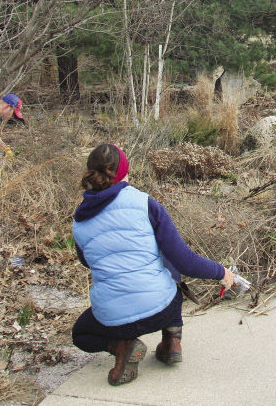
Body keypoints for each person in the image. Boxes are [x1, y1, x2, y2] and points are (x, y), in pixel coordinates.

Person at [71, 144, 234, 386]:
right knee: (168, 265)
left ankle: (120, 345)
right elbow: (183, 260)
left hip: (113, 319)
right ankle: (171, 341)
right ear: (125, 171)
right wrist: (221, 272)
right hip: (162, 310)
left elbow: (88, 262)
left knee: (80, 334)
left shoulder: (79, 221)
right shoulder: (144, 203)